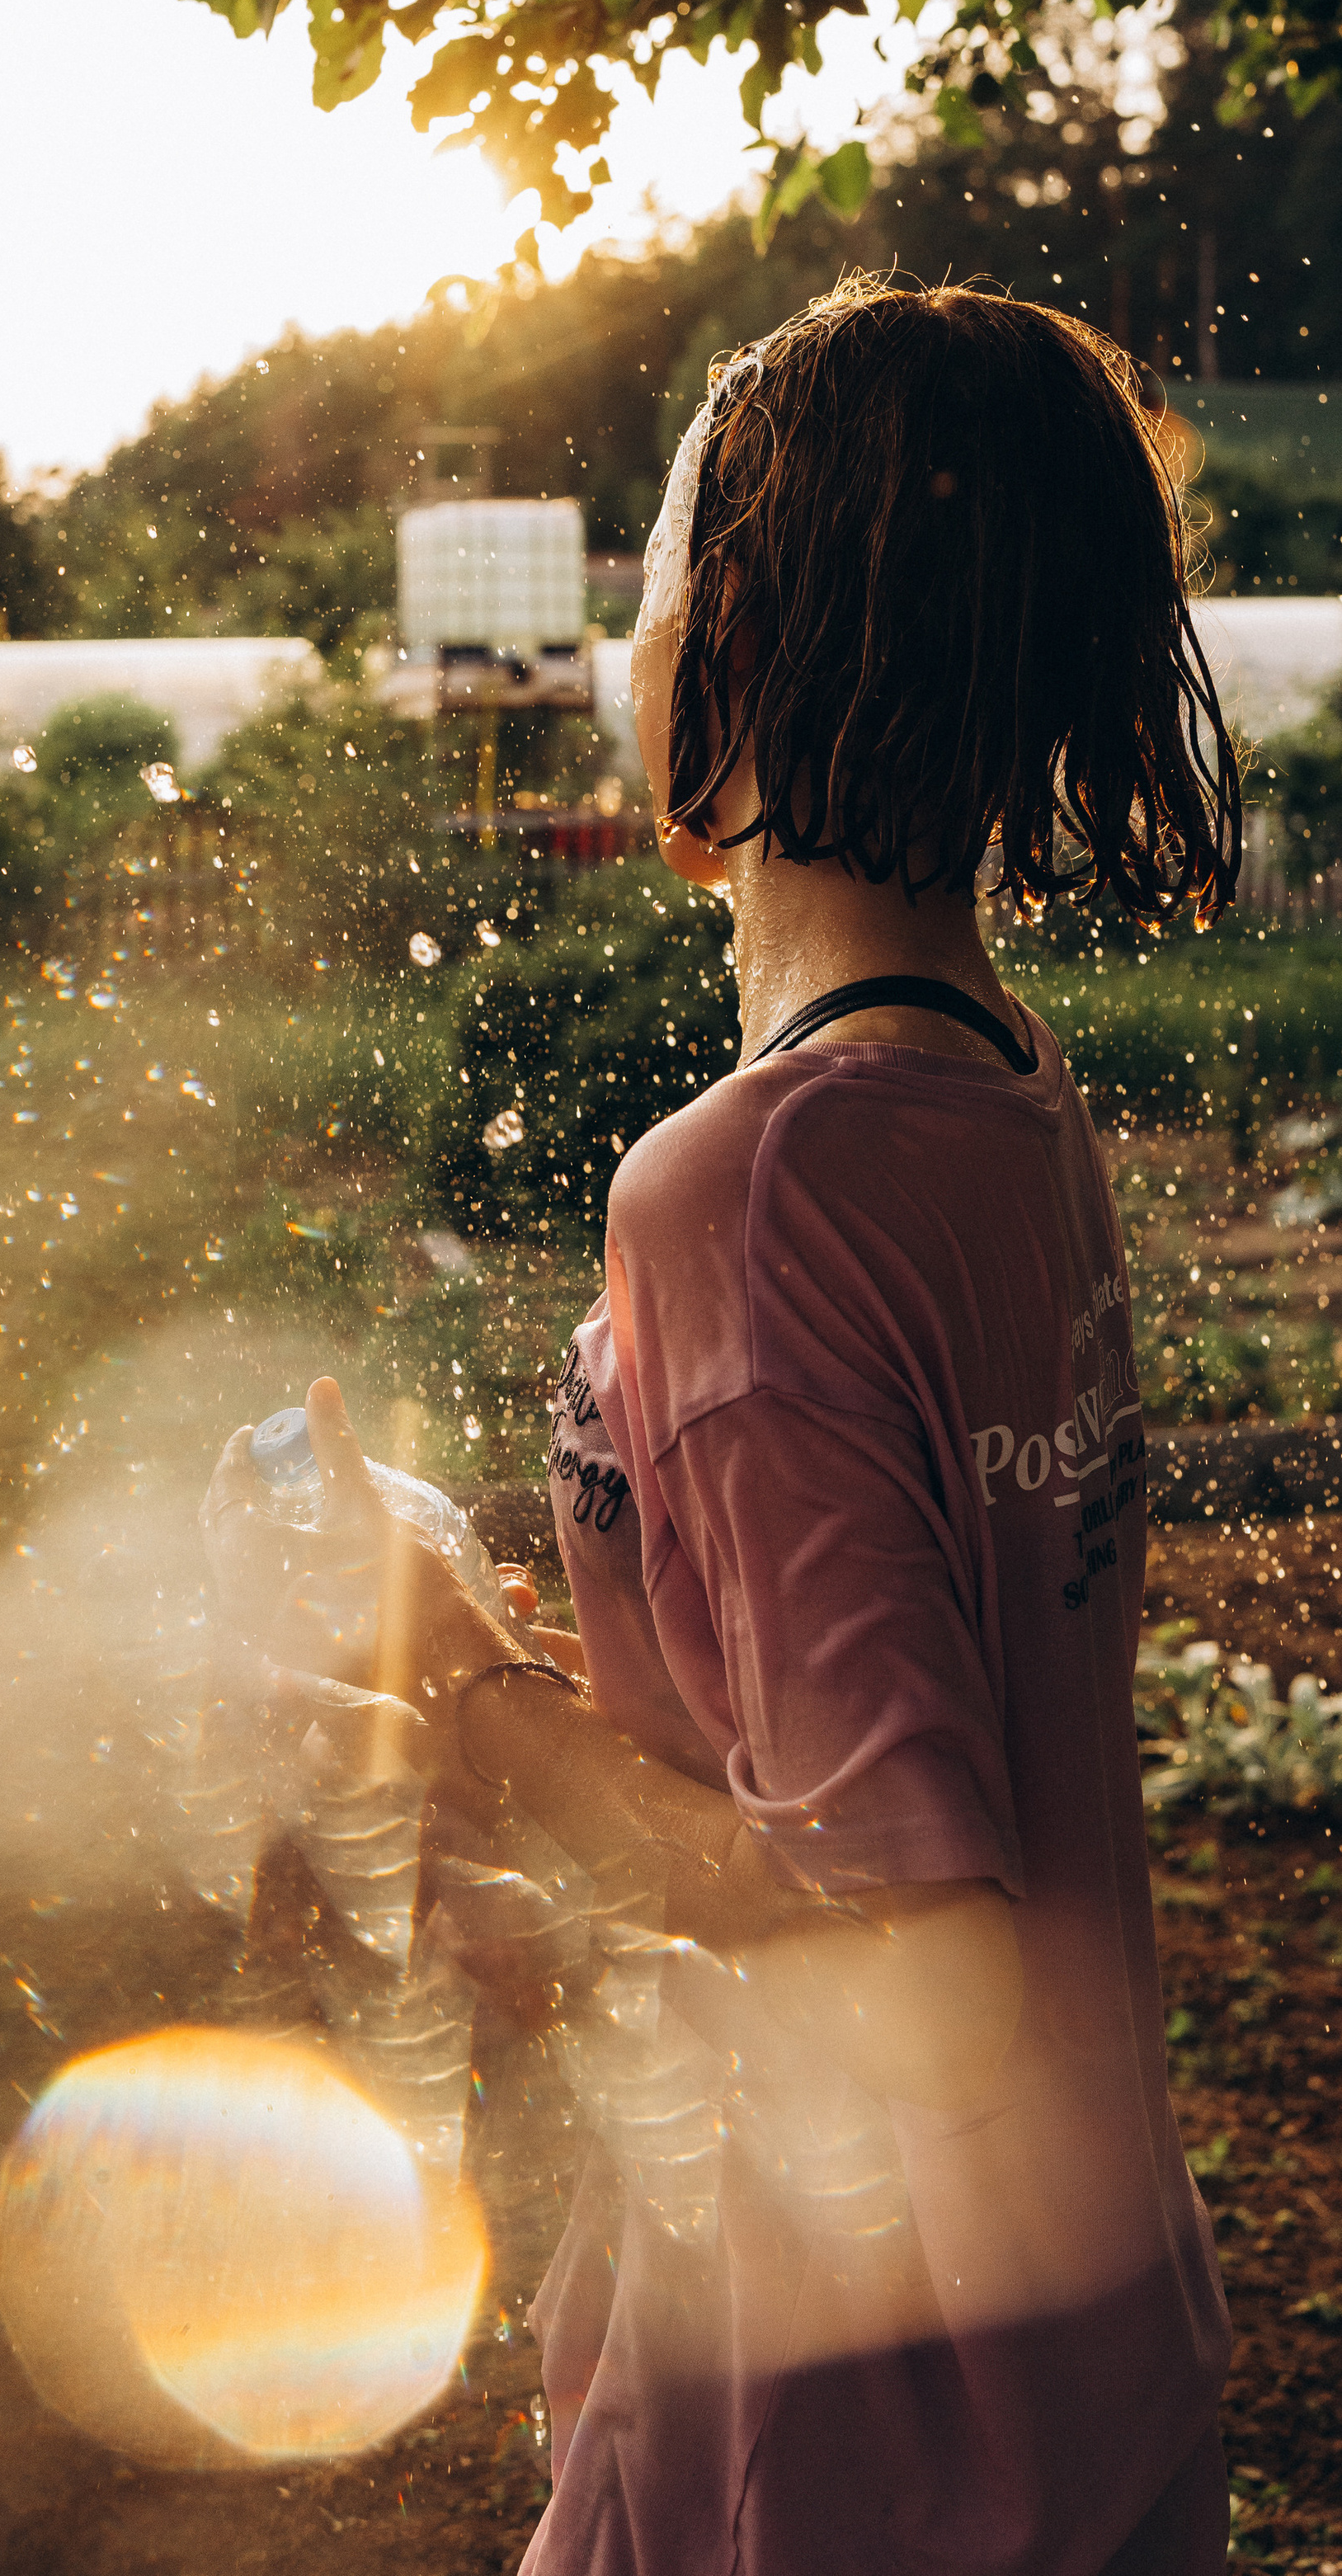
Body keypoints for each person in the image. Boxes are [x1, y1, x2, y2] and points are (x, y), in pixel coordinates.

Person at [293, 282, 1236, 2573]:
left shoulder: (751, 1191)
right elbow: (886, 1729)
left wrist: (462, 1687)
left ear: (732, 635)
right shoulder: (1000, 1098)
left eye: (652, 570)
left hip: (855, 2428)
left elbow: (905, 1944)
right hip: (1087, 2351)